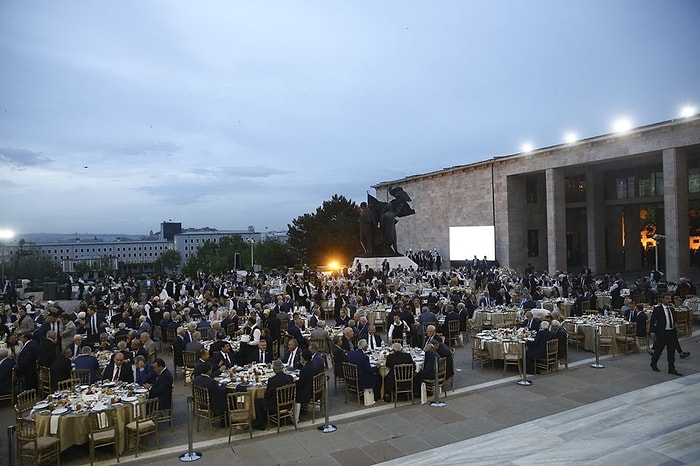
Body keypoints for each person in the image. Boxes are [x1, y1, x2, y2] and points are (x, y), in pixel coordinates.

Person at [252, 359, 294, 430]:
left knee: (258, 401)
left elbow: (267, 395)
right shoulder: (290, 378)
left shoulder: (272, 380)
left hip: (275, 405)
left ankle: (260, 423)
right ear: (282, 367)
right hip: (288, 403)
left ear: (274, 369)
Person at [650, 293, 683, 376]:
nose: (669, 300)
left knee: (671, 351)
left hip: (671, 332)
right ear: (663, 299)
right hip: (662, 333)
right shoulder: (658, 309)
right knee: (658, 350)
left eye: (670, 299)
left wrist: (675, 324)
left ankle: (671, 368)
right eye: (667, 299)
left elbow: (673, 318)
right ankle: (653, 363)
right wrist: (652, 331)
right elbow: (652, 321)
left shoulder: (671, 309)